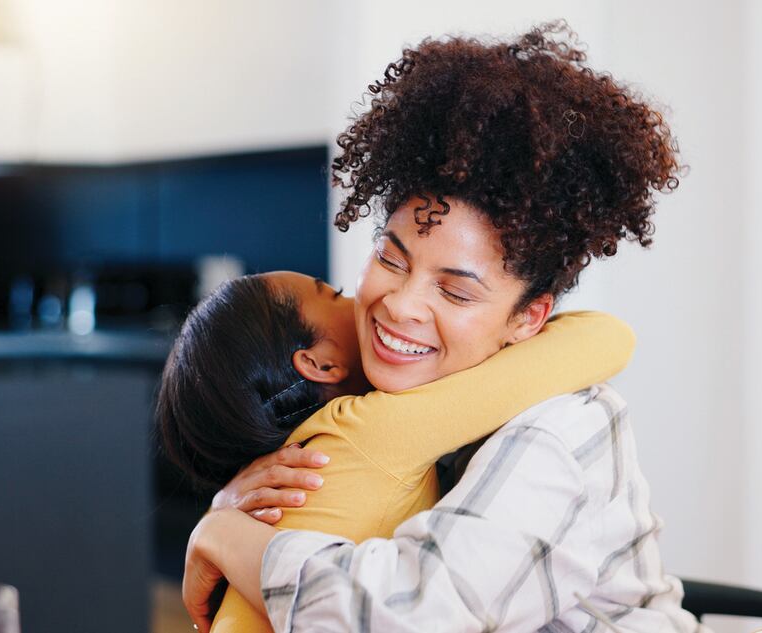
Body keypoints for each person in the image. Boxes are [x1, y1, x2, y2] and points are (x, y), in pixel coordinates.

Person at [181, 21, 695, 633]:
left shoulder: (560, 429)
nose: (400, 306)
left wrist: (223, 536)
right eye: (391, 259)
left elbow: (412, 616)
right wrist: (236, 507)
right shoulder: (381, 403)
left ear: (528, 318)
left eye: (454, 290)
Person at [159, 267, 636, 632]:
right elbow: (606, 339)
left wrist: (218, 521)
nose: (391, 307)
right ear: (319, 364)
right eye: (336, 296)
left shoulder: (302, 451)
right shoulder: (372, 428)